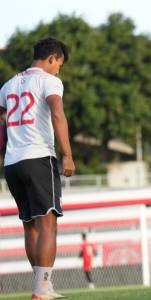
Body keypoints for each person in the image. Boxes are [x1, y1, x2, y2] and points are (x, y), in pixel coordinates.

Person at [0, 37, 75, 299]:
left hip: (12, 163)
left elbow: (2, 120)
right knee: (48, 224)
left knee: (29, 226)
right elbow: (57, 113)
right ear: (52, 58)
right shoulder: (49, 80)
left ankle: (42, 286)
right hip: (38, 158)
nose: (59, 70)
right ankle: (42, 289)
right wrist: (67, 154)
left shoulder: (8, 85)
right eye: (60, 64)